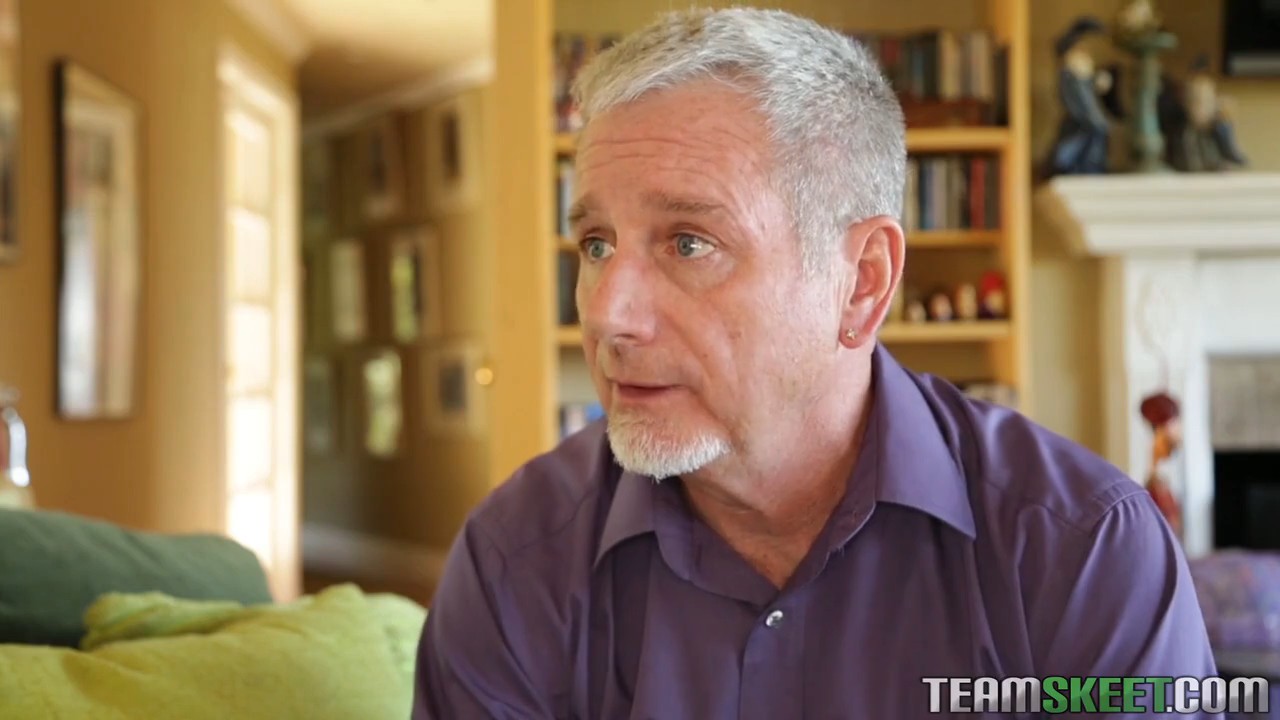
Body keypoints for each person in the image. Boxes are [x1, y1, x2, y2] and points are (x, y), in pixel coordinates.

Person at [412, 8, 1217, 718]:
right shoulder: (517, 561)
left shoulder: (1083, 554)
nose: (607, 314)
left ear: (862, 282)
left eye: (689, 243)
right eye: (596, 244)